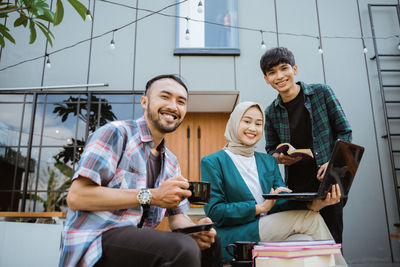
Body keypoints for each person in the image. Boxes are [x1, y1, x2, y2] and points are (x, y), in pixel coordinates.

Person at [59, 74, 222, 267]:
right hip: (97, 240)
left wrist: (197, 228)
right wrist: (150, 195)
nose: (173, 106)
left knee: (212, 244)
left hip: (138, 242)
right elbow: (77, 197)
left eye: (181, 101)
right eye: (165, 97)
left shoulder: (171, 162)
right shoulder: (116, 133)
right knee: (182, 249)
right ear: (144, 102)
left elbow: (177, 218)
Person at [201, 101, 344, 262]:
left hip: (272, 228)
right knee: (311, 219)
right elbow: (215, 211)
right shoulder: (213, 162)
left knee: (308, 242)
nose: (253, 128)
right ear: (234, 122)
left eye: (258, 123)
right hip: (237, 234)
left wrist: (315, 205)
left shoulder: (268, 161)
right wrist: (259, 208)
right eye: (247, 121)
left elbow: (282, 201)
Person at [260, 47, 352, 244]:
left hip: (328, 185)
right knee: (302, 243)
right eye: (272, 72)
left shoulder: (322, 93)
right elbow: (270, 150)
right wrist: (279, 157)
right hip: (295, 190)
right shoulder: (271, 113)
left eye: (284, 68)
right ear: (267, 79)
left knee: (331, 242)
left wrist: (333, 162)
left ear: (294, 69)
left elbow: (345, 131)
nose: (279, 76)